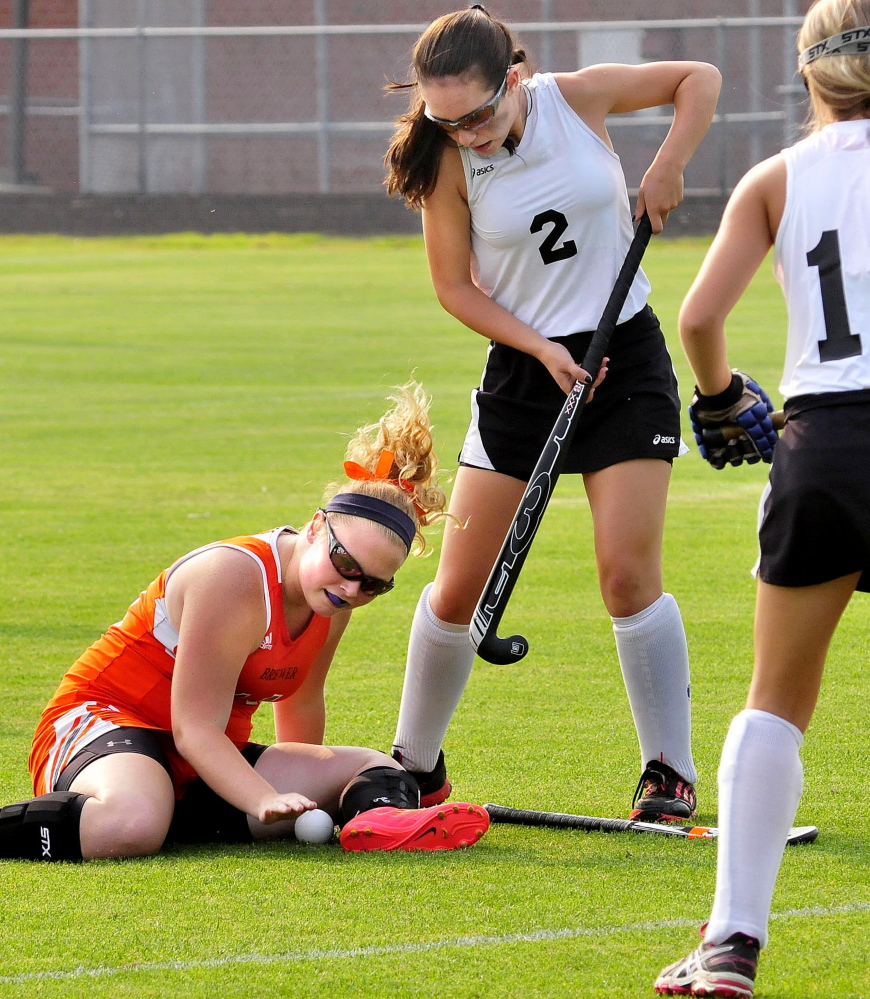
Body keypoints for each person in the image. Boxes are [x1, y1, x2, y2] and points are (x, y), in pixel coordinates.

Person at [382, 5, 721, 821]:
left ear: (515, 78)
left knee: (626, 574)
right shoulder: (448, 159)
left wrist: (668, 164)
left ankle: (667, 772)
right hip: (525, 372)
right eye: (446, 120)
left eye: (478, 115)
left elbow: (698, 78)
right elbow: (454, 287)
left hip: (623, 359)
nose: (467, 134)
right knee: (458, 589)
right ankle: (414, 764)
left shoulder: (577, 98)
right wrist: (539, 348)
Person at [0, 383, 490, 862]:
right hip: (106, 724)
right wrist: (261, 799)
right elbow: (194, 728)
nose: (350, 590)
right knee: (132, 825)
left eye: (374, 585)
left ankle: (383, 821)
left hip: (201, 758)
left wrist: (302, 795)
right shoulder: (232, 577)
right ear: (317, 526)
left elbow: (302, 699)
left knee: (375, 768)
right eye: (345, 564)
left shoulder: (331, 599)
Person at [654, 1, 870, 994]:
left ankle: (732, 942)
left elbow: (700, 318)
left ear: (807, 71)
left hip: (824, 445)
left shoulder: (776, 177)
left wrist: (721, 397)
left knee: (775, 701)